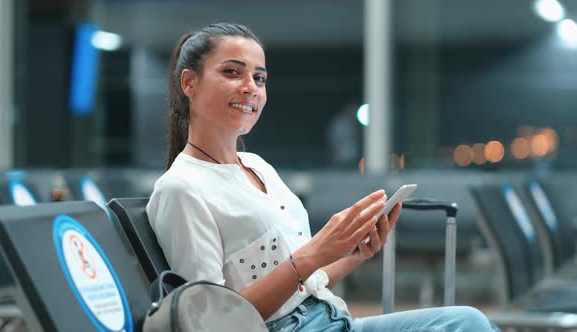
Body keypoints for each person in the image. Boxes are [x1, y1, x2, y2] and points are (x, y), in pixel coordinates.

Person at [146, 23, 498, 332]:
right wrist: (312, 255)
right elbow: (214, 322)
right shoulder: (181, 188)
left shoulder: (256, 166)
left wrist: (355, 254)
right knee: (466, 324)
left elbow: (305, 283)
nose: (251, 87)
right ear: (189, 83)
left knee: (471, 323)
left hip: (329, 317)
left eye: (259, 77)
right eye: (232, 72)